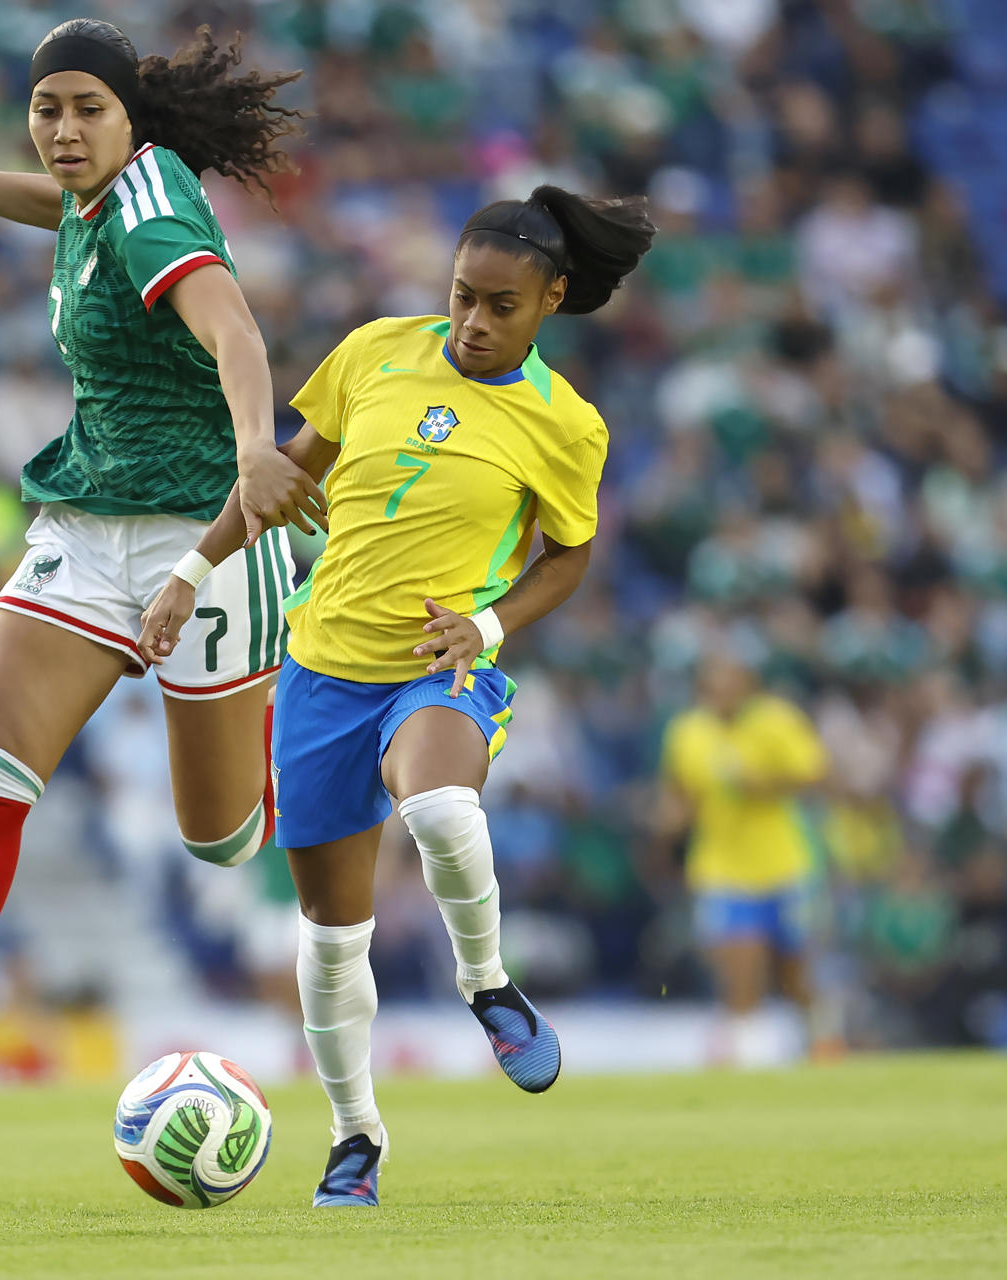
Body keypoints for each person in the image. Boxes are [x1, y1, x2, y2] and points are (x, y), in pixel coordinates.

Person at [0, 20, 326, 1122]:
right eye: (49, 110)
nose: (66, 129)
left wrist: (252, 448)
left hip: (208, 531)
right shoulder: (103, 204)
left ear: (132, 120)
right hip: (85, 525)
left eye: (89, 108)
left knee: (220, 837)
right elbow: (72, 216)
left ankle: (318, 696)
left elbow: (232, 328)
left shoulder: (155, 198)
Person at [140, 187, 655, 1205]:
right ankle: (355, 1136)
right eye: (462, 294)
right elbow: (284, 471)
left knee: (439, 806)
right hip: (321, 670)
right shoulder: (376, 349)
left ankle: (486, 983)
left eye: (501, 305)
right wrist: (189, 574)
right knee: (333, 939)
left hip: (441, 663)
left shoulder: (566, 425)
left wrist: (491, 625)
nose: (472, 320)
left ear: (550, 298)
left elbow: (570, 557)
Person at [660, 655, 828, 1065]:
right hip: (722, 869)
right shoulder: (688, 733)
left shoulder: (776, 721)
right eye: (713, 687)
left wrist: (762, 784)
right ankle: (748, 1057)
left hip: (784, 866)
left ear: (748, 684)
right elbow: (680, 794)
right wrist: (670, 820)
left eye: (729, 685)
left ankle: (821, 1047)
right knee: (741, 971)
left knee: (795, 977)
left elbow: (814, 776)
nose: (721, 695)